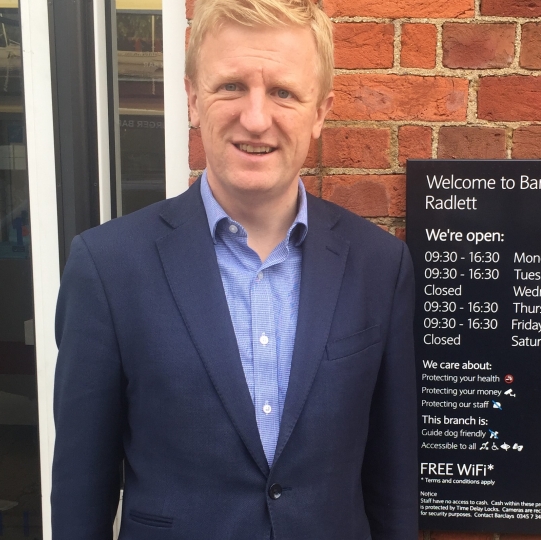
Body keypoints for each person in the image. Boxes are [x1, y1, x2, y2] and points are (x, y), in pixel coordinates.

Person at [50, 0, 417, 538]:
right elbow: (81, 492)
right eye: (230, 87)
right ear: (193, 98)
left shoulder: (379, 266)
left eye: (284, 92)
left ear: (321, 111)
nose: (256, 118)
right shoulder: (109, 268)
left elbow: (393, 485)